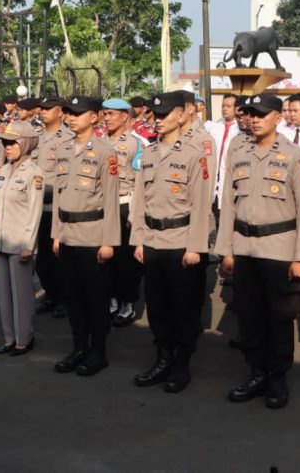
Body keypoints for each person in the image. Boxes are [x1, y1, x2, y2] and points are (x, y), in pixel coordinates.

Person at [216, 93, 300, 409]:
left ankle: (278, 378)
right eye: (250, 114)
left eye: (261, 114)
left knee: (279, 317)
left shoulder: (294, 156)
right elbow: (229, 204)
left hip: (279, 249)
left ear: (277, 117)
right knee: (249, 315)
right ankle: (256, 372)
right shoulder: (238, 150)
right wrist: (226, 249)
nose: (254, 119)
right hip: (244, 247)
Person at [130, 91, 213, 393]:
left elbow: (202, 205)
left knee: (184, 308)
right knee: (157, 306)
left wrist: (195, 248)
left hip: (181, 242)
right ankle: (162, 358)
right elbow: (140, 201)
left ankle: (181, 364)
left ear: (181, 115)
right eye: (156, 115)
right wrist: (138, 239)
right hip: (152, 241)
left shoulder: (194, 155)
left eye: (164, 115)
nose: (159, 121)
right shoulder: (149, 153)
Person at [50, 96, 121, 377]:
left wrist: (109, 242)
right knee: (73, 298)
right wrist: (56, 233)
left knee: (96, 298)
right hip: (67, 235)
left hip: (93, 237)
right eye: (68, 113)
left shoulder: (106, 152)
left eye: (78, 113)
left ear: (95, 117)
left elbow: (112, 201)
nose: (71, 118)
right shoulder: (64, 148)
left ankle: (97, 351)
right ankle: (78, 348)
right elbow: (57, 195)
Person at [0, 122, 43, 356]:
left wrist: (28, 244)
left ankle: (24, 338)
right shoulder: (5, 170)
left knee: (22, 295)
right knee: (4, 293)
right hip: (1, 239)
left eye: (12, 143)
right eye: (5, 143)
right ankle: (9, 337)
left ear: (27, 143)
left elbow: (34, 212)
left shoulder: (34, 173)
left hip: (20, 242)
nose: (7, 147)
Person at [101, 98, 145, 328]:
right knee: (107, 258)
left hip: (125, 205)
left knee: (127, 261)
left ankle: (127, 303)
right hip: (104, 207)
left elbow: (140, 183)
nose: (106, 118)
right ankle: (112, 301)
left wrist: (135, 214)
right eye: (104, 114)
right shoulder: (99, 142)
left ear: (124, 116)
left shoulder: (136, 144)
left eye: (111, 114)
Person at [35, 96, 74, 318]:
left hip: (58, 206)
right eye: (41, 109)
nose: (43, 112)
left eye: (48, 109)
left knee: (60, 256)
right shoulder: (36, 136)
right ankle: (50, 295)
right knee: (42, 259)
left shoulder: (68, 137)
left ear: (60, 112)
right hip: (37, 205)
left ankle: (64, 299)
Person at [209, 93, 239, 221]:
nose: (224, 109)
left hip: (231, 178)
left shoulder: (239, 130)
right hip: (215, 179)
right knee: (217, 216)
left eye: (228, 106)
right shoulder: (214, 127)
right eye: (223, 105)